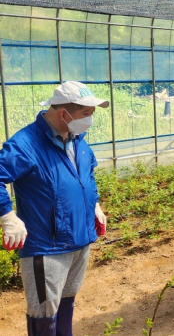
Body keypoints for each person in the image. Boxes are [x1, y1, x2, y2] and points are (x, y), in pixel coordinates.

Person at [0, 81, 108, 335]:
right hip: (47, 248)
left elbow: (87, 175)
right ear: (63, 114)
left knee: (67, 303)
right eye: (86, 114)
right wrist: (7, 215)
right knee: (44, 313)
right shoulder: (25, 144)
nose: (90, 120)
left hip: (79, 241)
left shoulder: (78, 140)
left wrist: (94, 204)